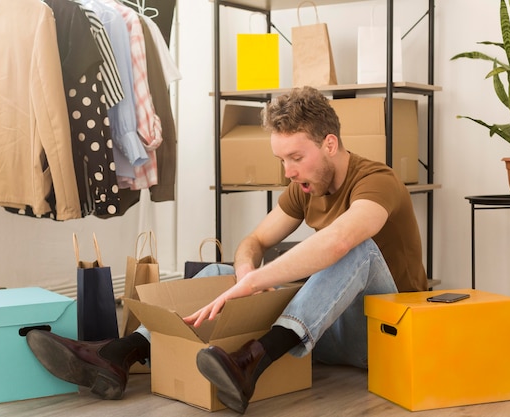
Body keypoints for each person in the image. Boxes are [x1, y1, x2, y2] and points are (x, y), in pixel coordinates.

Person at [25, 86, 427, 413]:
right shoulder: (305, 185)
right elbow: (253, 241)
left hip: (385, 339)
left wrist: (254, 283)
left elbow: (340, 241)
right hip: (322, 333)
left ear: (330, 144)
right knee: (221, 272)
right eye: (282, 159)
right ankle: (120, 354)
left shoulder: (378, 181)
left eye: (296, 158)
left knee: (355, 250)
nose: (287, 171)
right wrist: (245, 274)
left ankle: (253, 361)